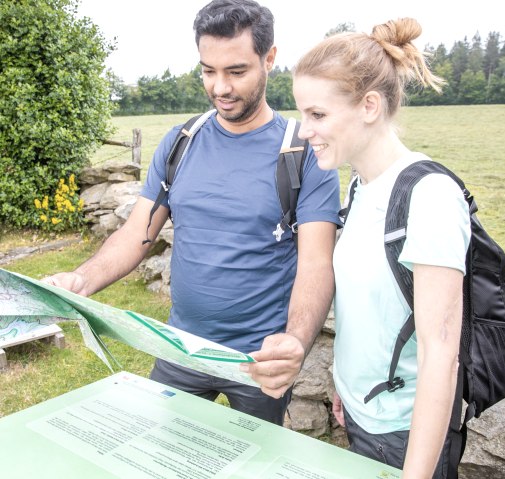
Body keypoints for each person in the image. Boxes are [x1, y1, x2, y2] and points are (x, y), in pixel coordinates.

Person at [45, 0, 341, 426]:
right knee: (162, 453)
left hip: (258, 359)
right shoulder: (181, 142)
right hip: (180, 347)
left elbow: (316, 263)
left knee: (254, 463)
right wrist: (81, 278)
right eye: (208, 70)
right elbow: (136, 234)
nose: (220, 87)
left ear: (270, 58)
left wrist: (293, 342)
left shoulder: (303, 152)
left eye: (236, 71)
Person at [290, 18, 471, 478]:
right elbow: (371, 307)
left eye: (317, 114)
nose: (303, 130)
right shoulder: (360, 188)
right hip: (361, 413)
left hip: (406, 435)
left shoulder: (428, 197)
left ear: (369, 105)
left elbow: (440, 355)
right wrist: (346, 388)